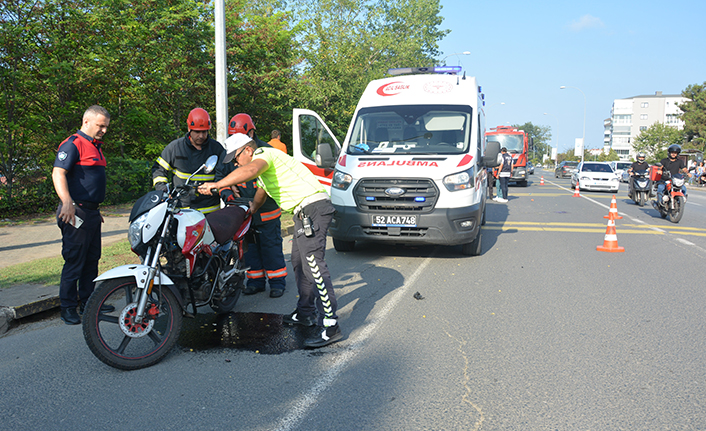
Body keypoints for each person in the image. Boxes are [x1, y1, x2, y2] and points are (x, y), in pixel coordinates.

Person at [198, 135, 342, 348]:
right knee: (299, 264)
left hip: (313, 208)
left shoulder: (264, 155)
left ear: (248, 150)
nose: (236, 164)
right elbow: (261, 193)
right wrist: (252, 210)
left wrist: (217, 184)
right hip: (303, 212)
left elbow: (249, 171)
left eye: (236, 158)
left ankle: (331, 325)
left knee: (314, 266)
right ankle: (305, 313)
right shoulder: (266, 168)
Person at [52, 105, 115, 325]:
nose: (104, 130)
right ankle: (68, 307)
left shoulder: (95, 146)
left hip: (90, 213)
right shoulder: (72, 144)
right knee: (74, 261)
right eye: (100, 126)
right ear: (86, 121)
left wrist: (95, 209)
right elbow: (58, 173)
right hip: (74, 212)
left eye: (106, 126)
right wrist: (67, 202)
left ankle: (88, 303)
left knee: (91, 260)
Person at [221, 122, 288, 298]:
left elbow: (267, 185)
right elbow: (222, 175)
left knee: (270, 247)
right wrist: (229, 191)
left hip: (267, 211)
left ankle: (277, 282)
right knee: (249, 248)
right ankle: (255, 281)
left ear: (251, 133)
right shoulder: (234, 151)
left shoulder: (266, 151)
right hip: (245, 211)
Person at [152, 108, 226, 214]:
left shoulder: (217, 149)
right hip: (182, 210)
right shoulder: (175, 148)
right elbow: (159, 169)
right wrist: (163, 190)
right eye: (197, 132)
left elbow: (226, 173)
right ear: (189, 128)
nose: (201, 136)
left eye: (204, 132)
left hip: (211, 211)